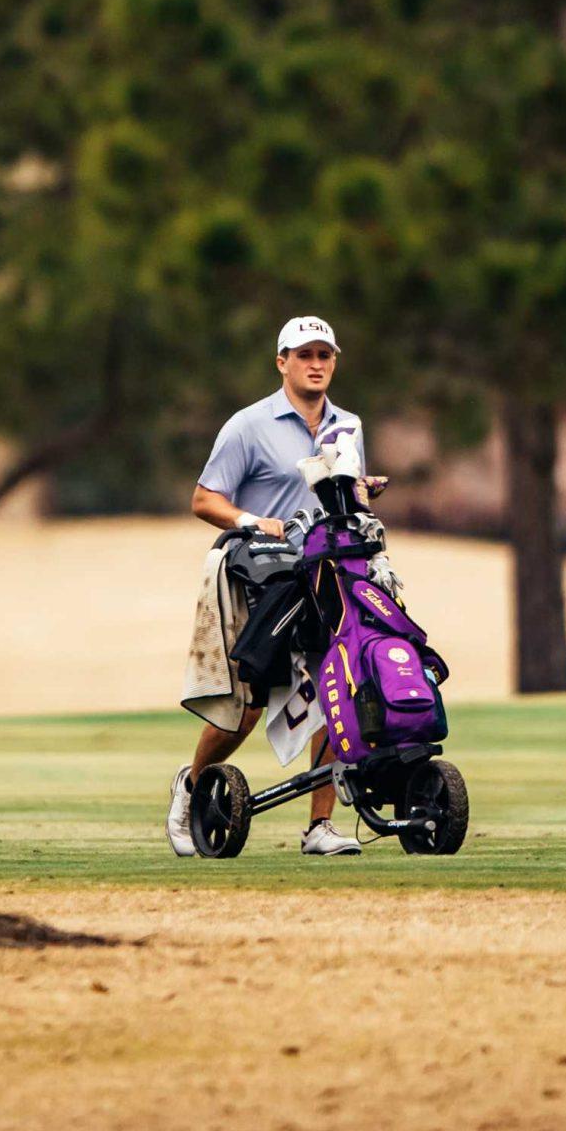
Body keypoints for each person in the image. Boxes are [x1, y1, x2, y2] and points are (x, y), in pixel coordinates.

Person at [169, 315, 388, 858]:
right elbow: (204, 500)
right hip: (259, 573)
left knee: (337, 686)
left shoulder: (349, 425)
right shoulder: (248, 424)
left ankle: (319, 827)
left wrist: (360, 492)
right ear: (282, 362)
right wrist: (251, 520)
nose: (316, 365)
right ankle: (193, 786)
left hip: (326, 573)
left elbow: (340, 497)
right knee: (245, 704)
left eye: (325, 355)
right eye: (305, 355)